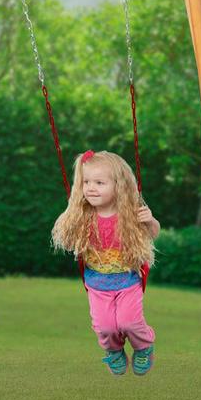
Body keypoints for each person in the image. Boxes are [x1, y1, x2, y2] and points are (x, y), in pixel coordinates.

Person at [50, 149, 160, 376]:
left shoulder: (129, 214)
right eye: (86, 182)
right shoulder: (82, 215)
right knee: (105, 327)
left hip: (128, 281)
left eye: (99, 182)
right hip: (97, 284)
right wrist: (70, 228)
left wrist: (150, 221)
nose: (90, 188)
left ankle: (143, 347)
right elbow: (68, 242)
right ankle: (113, 350)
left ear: (118, 186)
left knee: (129, 322)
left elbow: (152, 234)